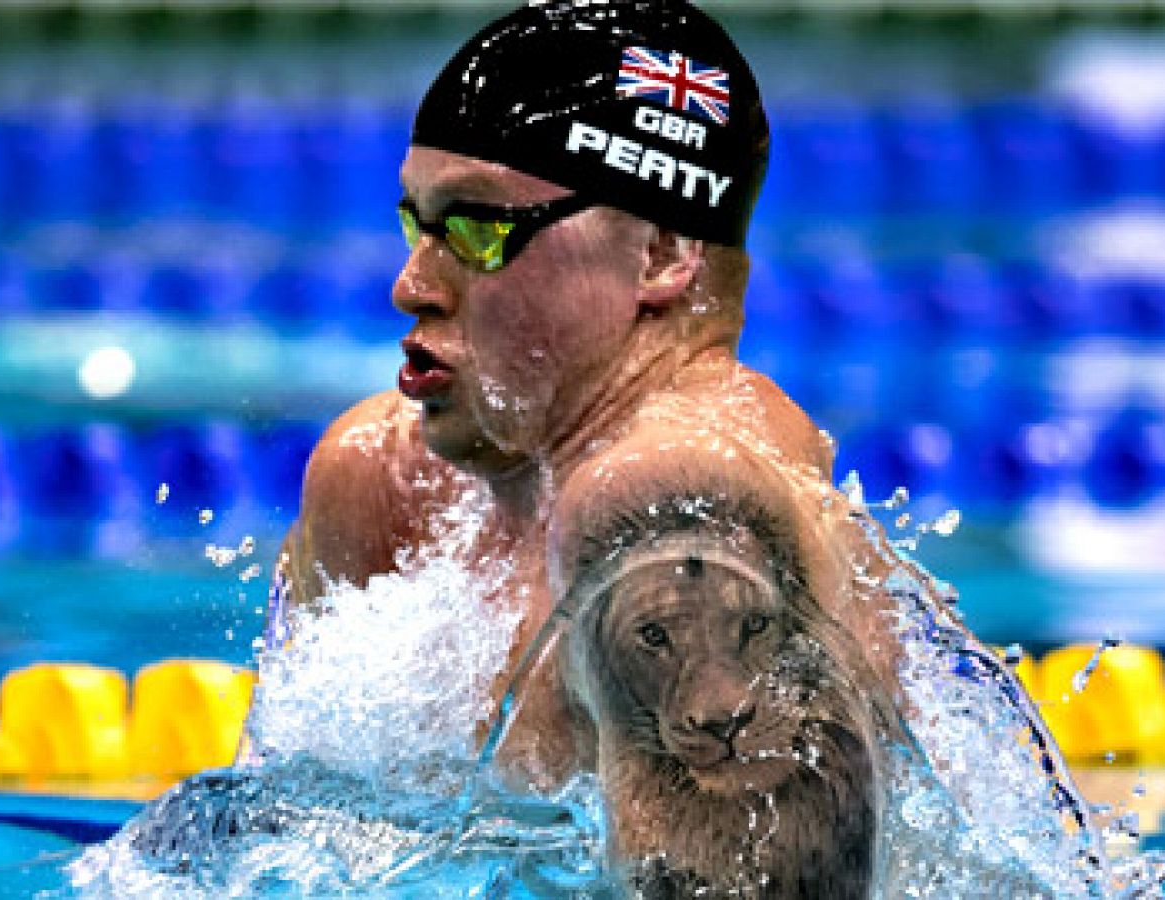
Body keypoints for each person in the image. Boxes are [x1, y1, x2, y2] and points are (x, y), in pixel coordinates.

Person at [268, 0, 892, 791]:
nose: (410, 286)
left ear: (661, 254)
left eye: (477, 228)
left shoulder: (681, 504)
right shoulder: (389, 485)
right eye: (416, 227)